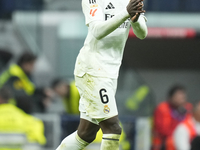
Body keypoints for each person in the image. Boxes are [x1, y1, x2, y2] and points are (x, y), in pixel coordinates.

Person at [56, 0, 148, 149]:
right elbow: (97, 31)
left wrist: (135, 18)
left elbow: (142, 34)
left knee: (86, 134)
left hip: (110, 72)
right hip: (92, 69)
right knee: (113, 128)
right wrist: (125, 12)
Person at [152, 85, 193, 150]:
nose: (181, 100)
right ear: (171, 98)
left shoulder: (188, 108)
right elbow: (163, 130)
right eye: (178, 97)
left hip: (184, 141)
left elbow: (192, 127)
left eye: (183, 97)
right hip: (164, 143)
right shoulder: (162, 108)